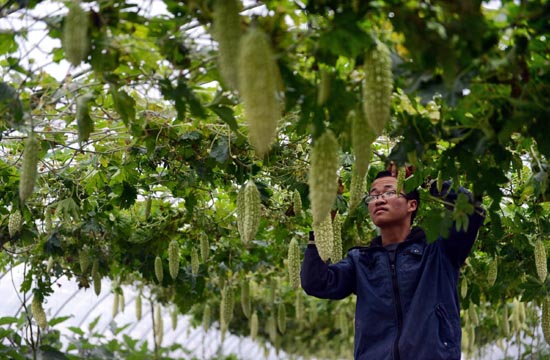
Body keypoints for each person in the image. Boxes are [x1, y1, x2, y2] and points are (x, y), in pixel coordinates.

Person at [301, 167, 485, 360]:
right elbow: (316, 283)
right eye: (372, 196)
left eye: (390, 192)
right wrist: (320, 229)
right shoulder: (361, 261)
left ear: (411, 205)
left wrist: (427, 180)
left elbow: (472, 209)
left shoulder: (438, 251)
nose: (379, 199)